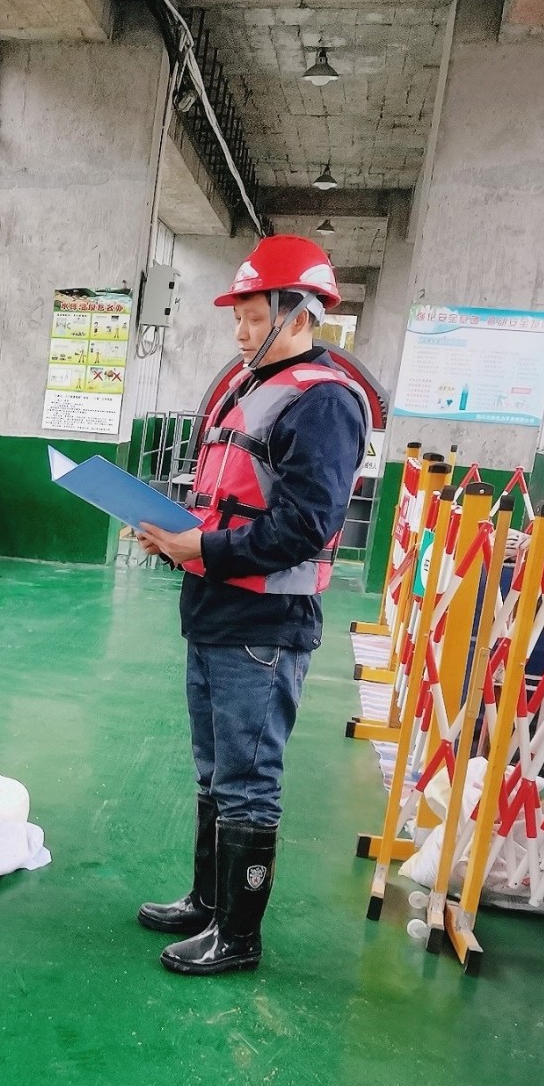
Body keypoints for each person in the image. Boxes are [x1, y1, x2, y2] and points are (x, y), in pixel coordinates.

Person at [135, 235, 369, 976]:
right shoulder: (249, 388)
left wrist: (204, 548)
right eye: (237, 316)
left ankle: (237, 937)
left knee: (247, 779)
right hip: (215, 610)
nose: (239, 331)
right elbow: (230, 500)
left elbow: (304, 526)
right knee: (215, 771)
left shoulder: (324, 402)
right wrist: (177, 539)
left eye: (253, 315)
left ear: (298, 313)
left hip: (264, 625)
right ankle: (208, 903)